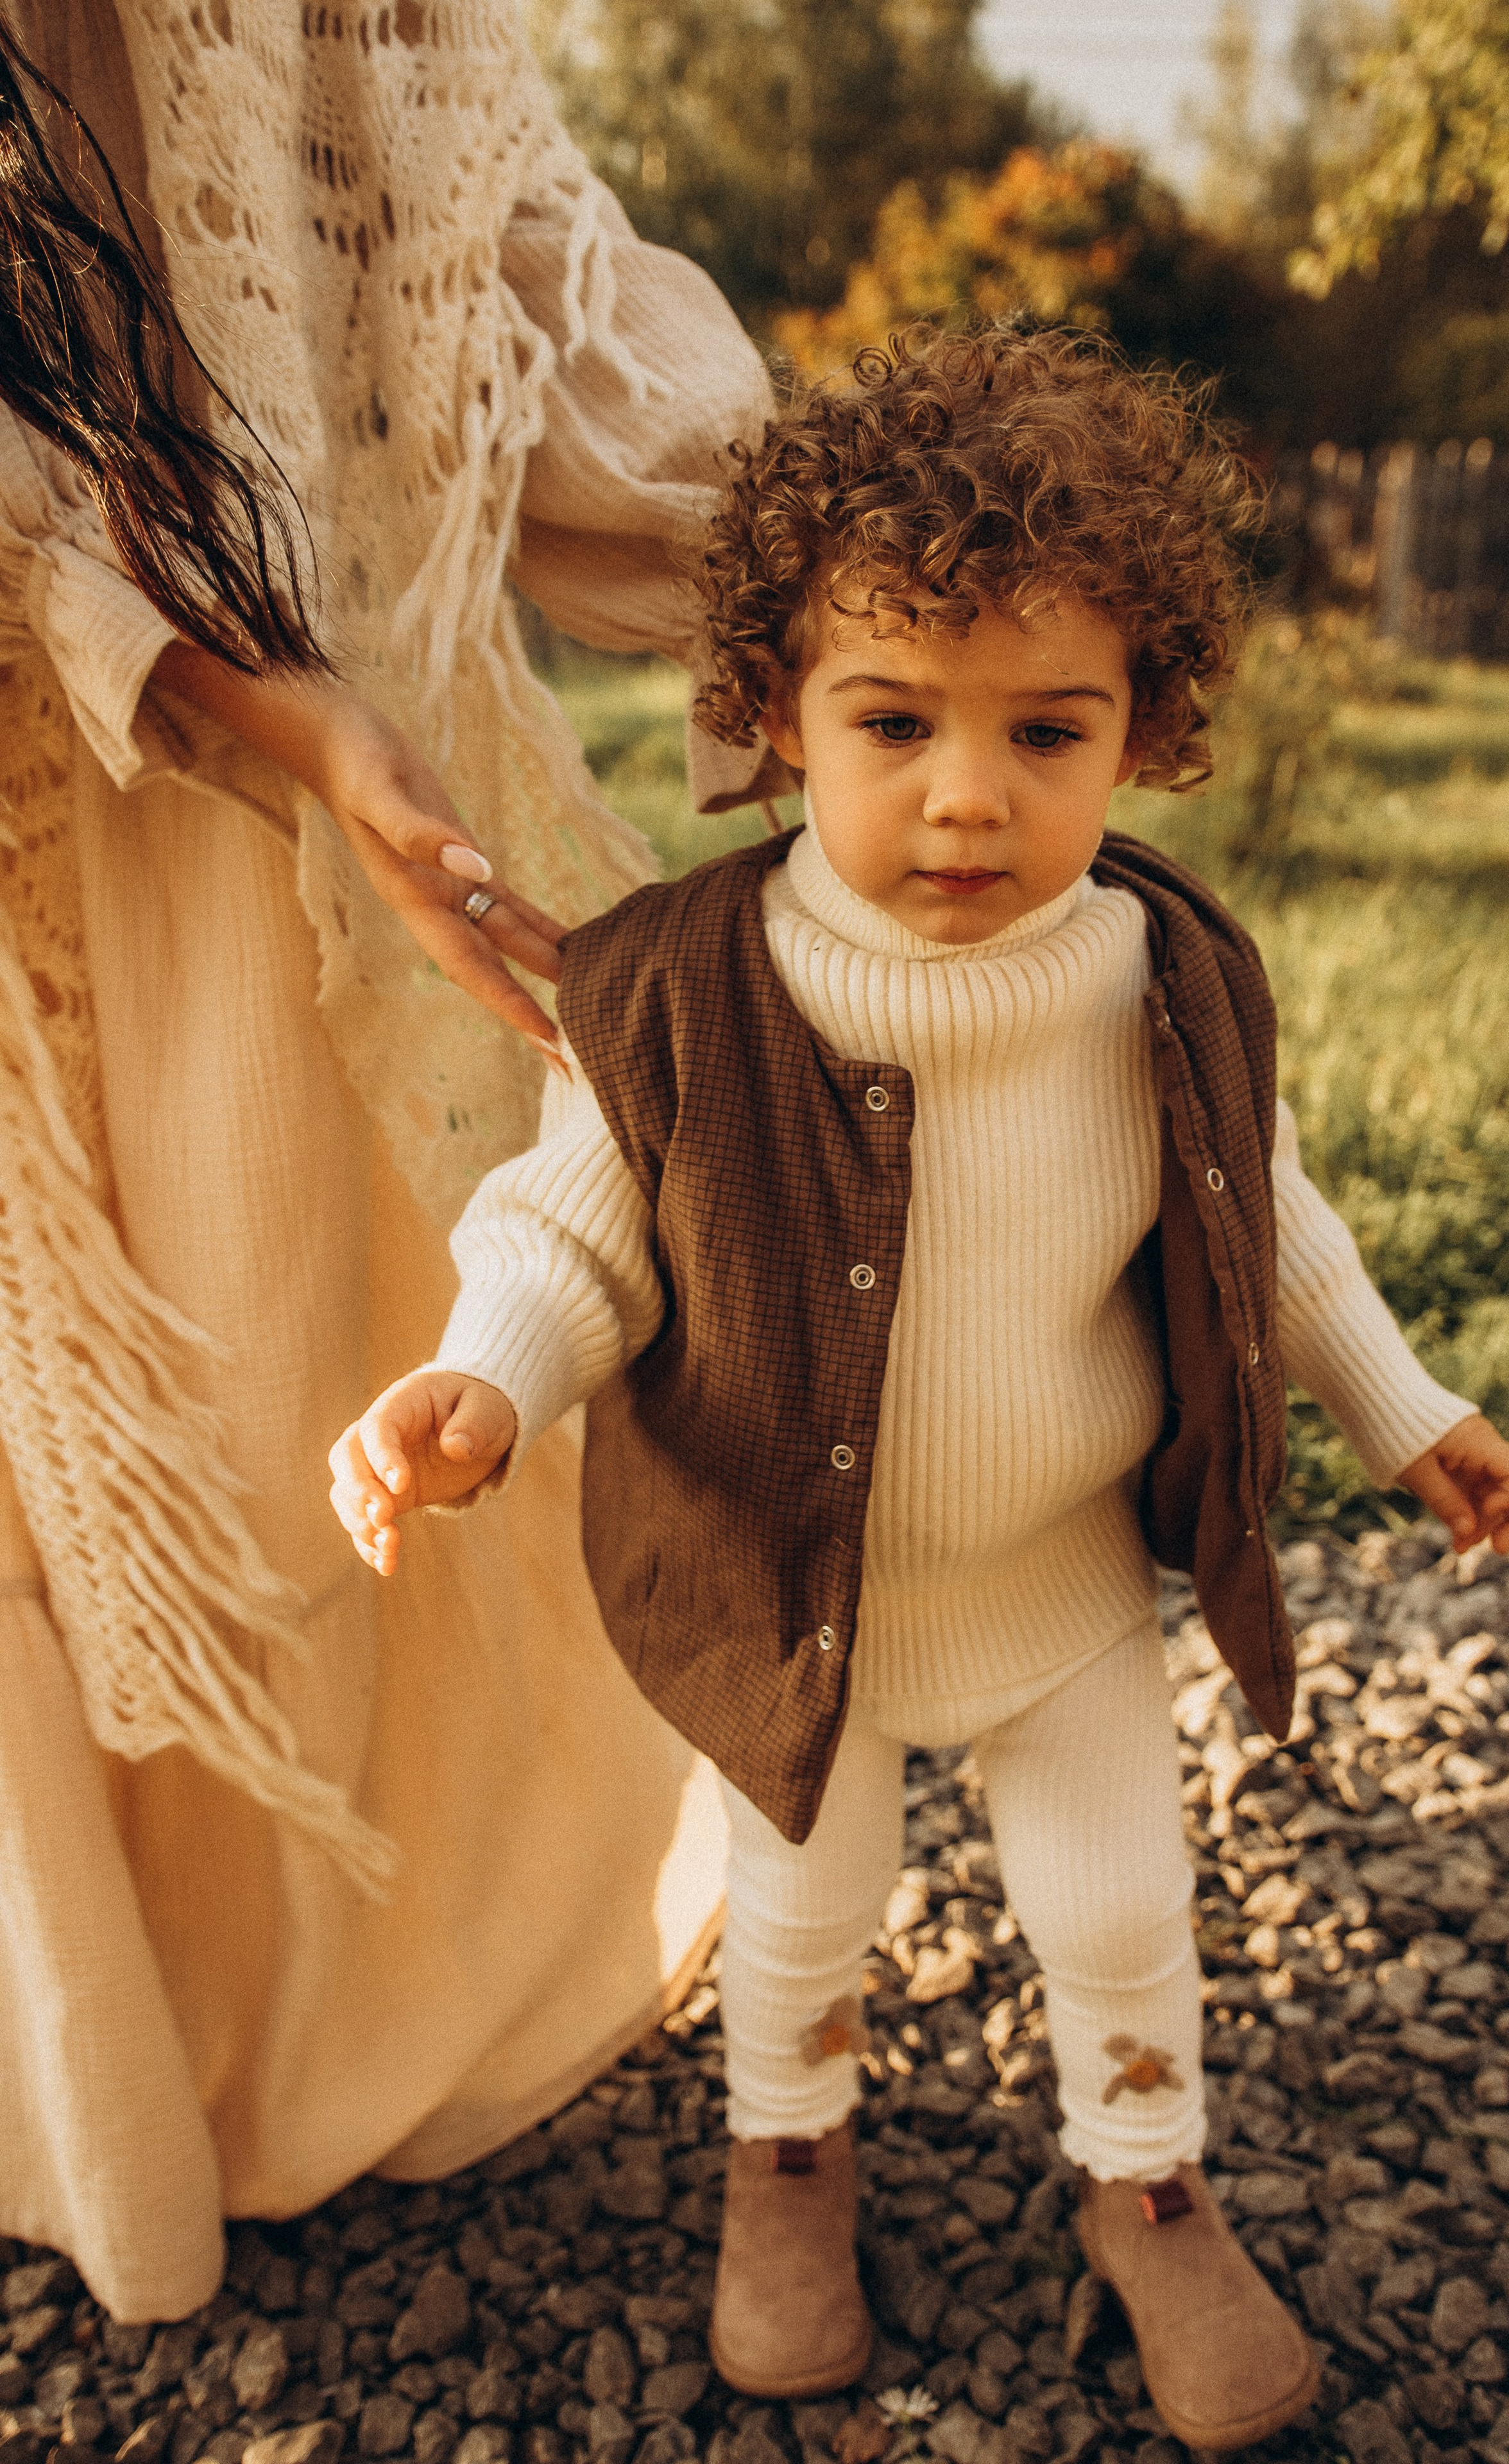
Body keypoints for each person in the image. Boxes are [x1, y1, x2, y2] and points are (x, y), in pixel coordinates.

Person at [328, 328, 1509, 2453]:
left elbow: (1261, 1223)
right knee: (803, 1906)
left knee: (1121, 1902)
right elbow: (569, 1236)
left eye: (1047, 731)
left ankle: (1145, 2186)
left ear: (1146, 728)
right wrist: (482, 1382)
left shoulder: (1159, 980)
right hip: (798, 1594)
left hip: (1061, 1586)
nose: (969, 795)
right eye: (894, 723)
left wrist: (1405, 1406)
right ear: (774, 708)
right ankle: (789, 2157)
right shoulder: (681, 991)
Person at [0, 1, 783, 2324]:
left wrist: (875, 575)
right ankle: (92, 2072)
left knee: (305, 1404)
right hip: (112, 758)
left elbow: (495, 250)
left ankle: (312, 2013)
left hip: (301, 782)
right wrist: (261, 706)